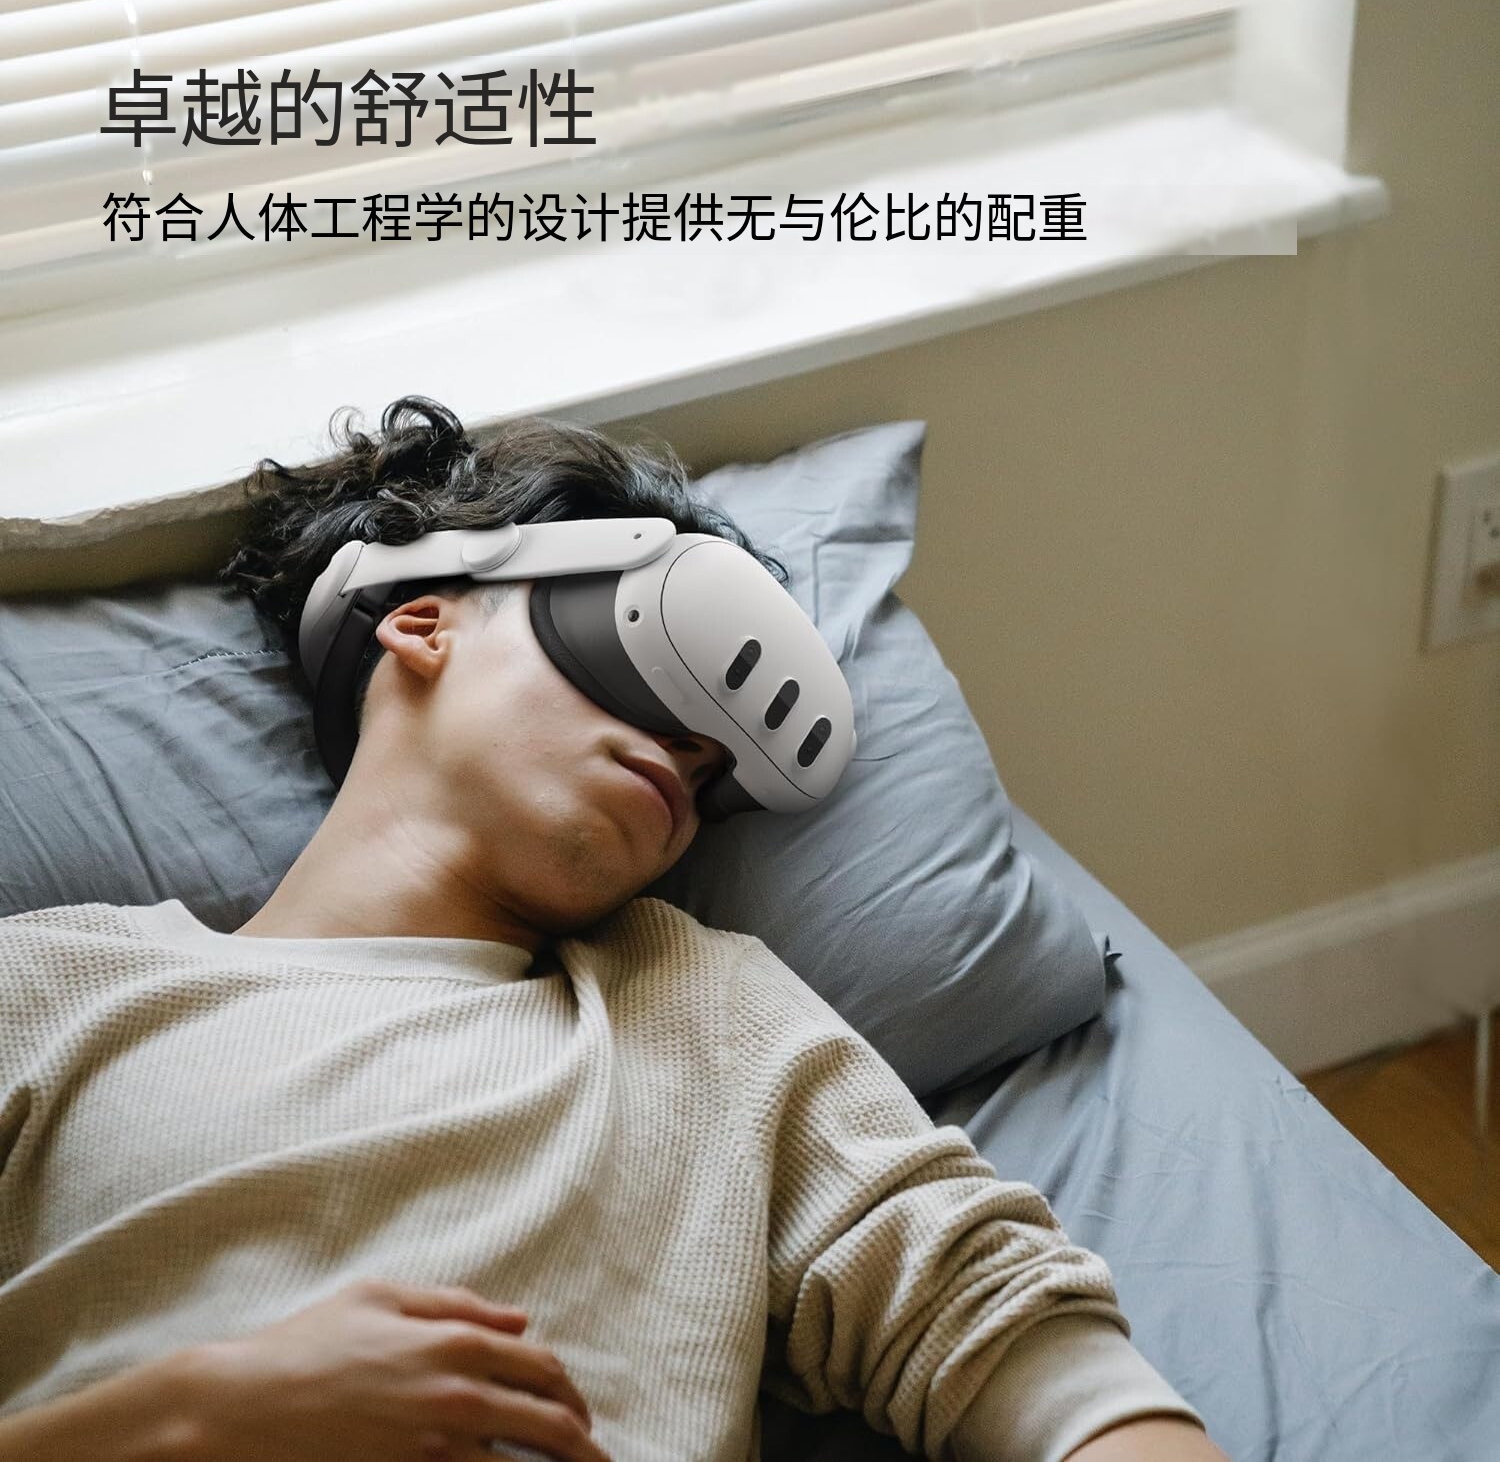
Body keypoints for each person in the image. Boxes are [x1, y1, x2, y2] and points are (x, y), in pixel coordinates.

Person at [0, 397, 1230, 1462]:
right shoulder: (49, 988)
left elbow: (993, 1320)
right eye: (639, 664)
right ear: (424, 622)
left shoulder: (697, 1008)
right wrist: (186, 1419)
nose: (688, 757)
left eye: (715, 771)